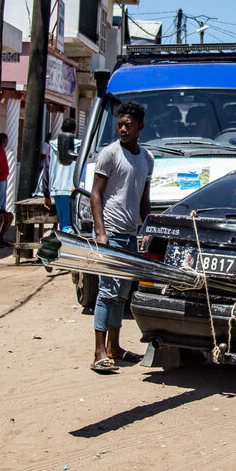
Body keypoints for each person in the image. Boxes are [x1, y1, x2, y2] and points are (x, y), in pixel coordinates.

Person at [89, 101, 153, 373]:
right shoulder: (109, 154)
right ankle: (98, 352)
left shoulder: (147, 158)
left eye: (128, 125)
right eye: (120, 125)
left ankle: (115, 347)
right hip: (111, 233)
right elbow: (95, 195)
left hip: (131, 235)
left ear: (140, 126)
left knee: (122, 294)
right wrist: (101, 232)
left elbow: (144, 200)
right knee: (107, 291)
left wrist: (146, 230)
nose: (123, 129)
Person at [0, 134, 14, 246]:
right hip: (0, 179)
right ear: (4, 140)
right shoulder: (0, 150)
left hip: (3, 179)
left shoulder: (0, 150)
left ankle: (1, 238)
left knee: (2, 203)